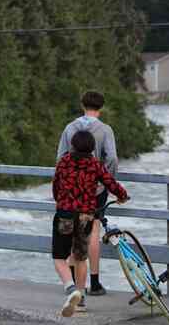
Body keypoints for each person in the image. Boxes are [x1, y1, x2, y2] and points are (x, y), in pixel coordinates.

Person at [52, 130, 128, 316]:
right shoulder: (95, 165)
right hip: (86, 216)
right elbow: (111, 183)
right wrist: (122, 196)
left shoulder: (64, 162)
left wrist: (60, 200)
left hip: (65, 214)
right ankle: (81, 299)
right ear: (92, 148)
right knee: (80, 258)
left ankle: (71, 290)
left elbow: (55, 186)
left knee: (59, 257)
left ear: (72, 146)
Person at [56, 91, 118, 295]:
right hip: (96, 186)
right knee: (92, 232)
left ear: (82, 105)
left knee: (72, 232)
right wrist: (104, 180)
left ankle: (73, 283)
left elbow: (60, 158)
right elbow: (112, 159)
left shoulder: (70, 127)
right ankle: (95, 281)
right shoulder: (105, 129)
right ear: (101, 107)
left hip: (71, 190)